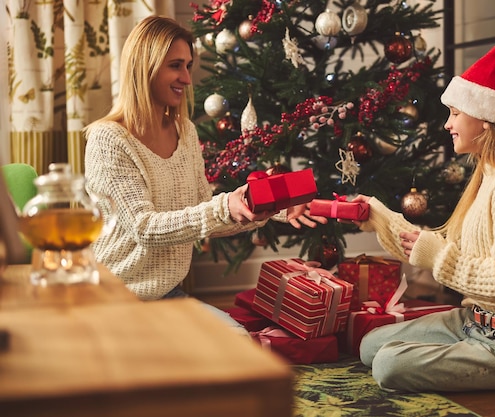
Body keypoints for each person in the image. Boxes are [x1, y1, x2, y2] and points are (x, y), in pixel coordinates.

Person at [349, 46, 495, 392]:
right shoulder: (485, 177)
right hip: (474, 322)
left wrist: (438, 256)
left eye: (455, 113)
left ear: (485, 120)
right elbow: (438, 247)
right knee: (370, 346)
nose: (448, 124)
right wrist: (378, 216)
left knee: (387, 363)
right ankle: (459, 350)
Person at [83, 16, 325, 329]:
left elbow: (203, 215)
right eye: (175, 65)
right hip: (111, 300)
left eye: (188, 65)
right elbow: (146, 229)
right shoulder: (109, 139)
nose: (186, 78)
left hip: (166, 297)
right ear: (145, 67)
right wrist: (224, 207)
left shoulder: (185, 132)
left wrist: (267, 208)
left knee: (240, 347)